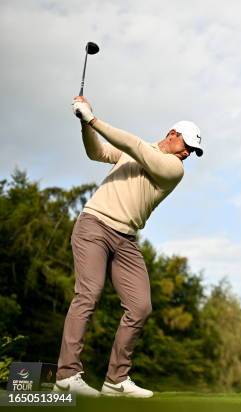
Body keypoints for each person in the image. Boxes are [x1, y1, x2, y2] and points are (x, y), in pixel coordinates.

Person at [53, 96, 203, 397]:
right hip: (94, 224)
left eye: (193, 151)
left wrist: (94, 118)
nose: (188, 152)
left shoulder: (174, 169)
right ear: (172, 133)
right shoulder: (138, 151)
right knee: (89, 293)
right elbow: (96, 151)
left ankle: (116, 380)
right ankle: (67, 375)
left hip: (126, 240)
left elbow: (134, 146)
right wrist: (85, 124)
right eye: (186, 144)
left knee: (140, 306)